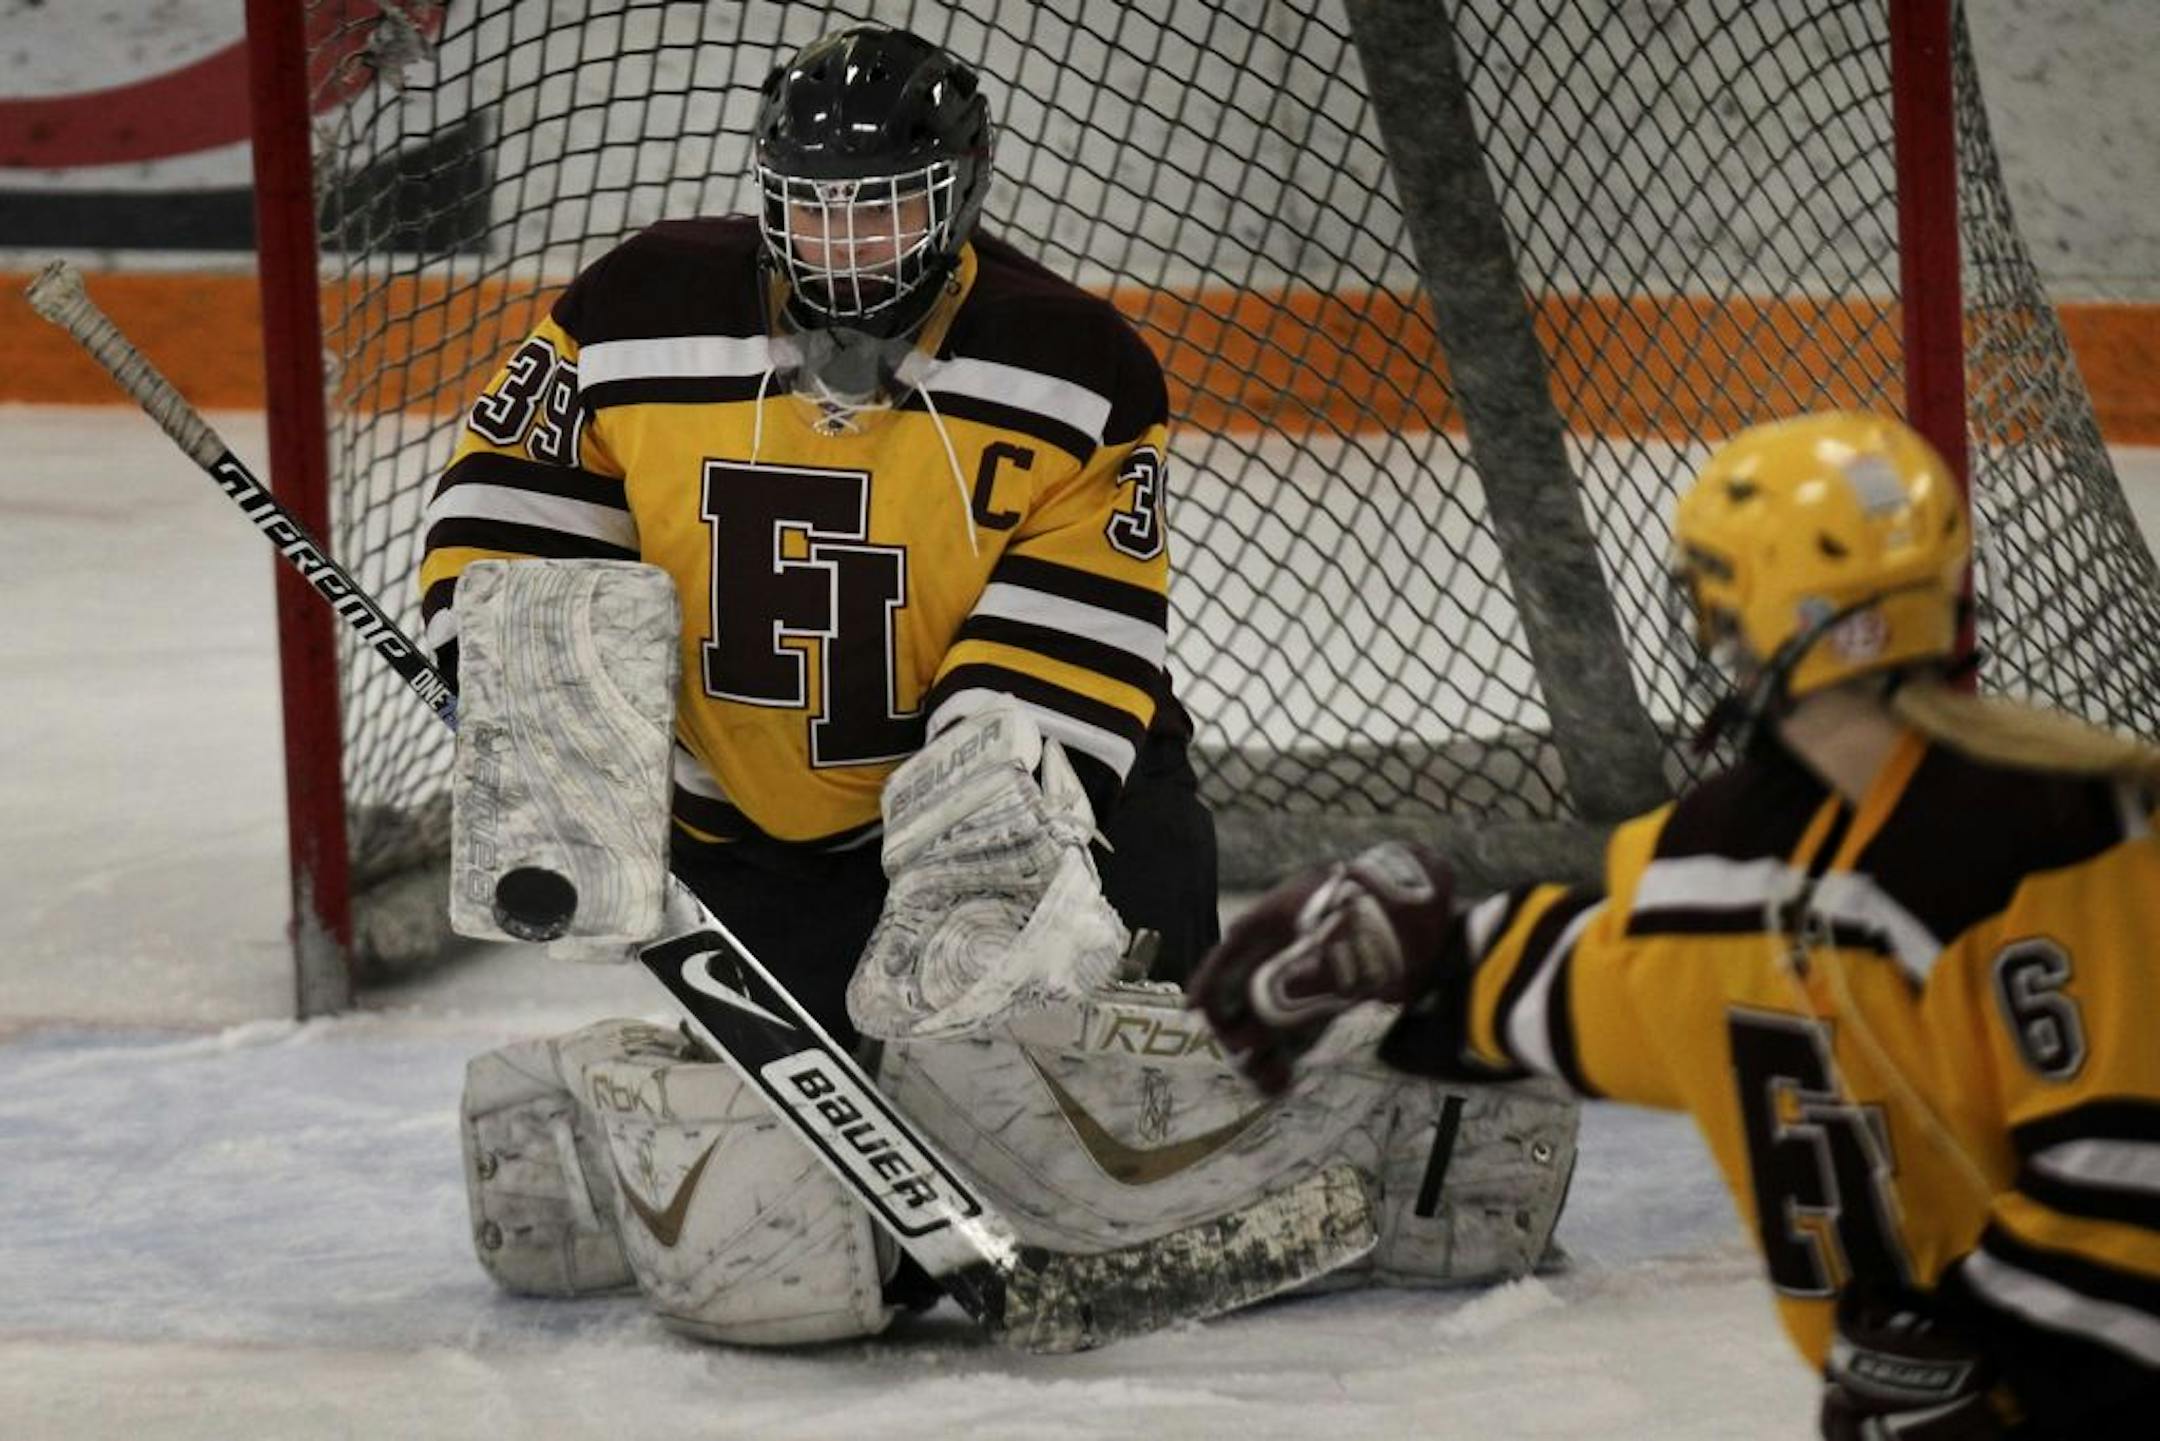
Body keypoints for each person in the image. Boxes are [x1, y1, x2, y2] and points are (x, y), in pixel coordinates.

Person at [1189, 411, 2160, 1438]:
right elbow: (1625, 989)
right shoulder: (1735, 851)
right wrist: (1425, 959)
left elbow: (2130, 1176)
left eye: (1715, 600)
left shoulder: (2065, 839)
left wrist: (1987, 1362)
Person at [418, 21, 1217, 1035]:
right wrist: (543, 710)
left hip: (1061, 832)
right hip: (746, 835)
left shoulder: (1070, 364)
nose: (841, 249)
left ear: (964, 191)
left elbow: (1075, 617)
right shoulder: (637, 308)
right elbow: (515, 492)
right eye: (810, 208)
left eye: (882, 212)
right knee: (800, 1166)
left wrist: (991, 831)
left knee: (1124, 1125)